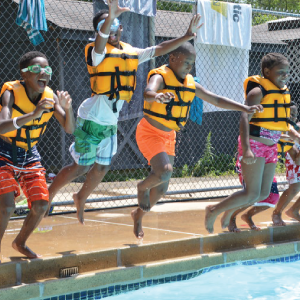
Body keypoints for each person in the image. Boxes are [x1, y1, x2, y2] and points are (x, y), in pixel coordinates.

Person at [47, 0, 204, 224]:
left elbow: (159, 49)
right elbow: (101, 43)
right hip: (91, 119)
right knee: (80, 167)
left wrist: (186, 36)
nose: (111, 29)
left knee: (101, 168)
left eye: (115, 24)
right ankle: (49, 196)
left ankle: (80, 197)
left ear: (121, 28)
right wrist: (109, 17)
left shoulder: (130, 53)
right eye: (105, 25)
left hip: (110, 122)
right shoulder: (96, 52)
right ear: (99, 30)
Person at [131, 41, 263, 239]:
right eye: (186, 62)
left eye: (192, 64)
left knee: (162, 189)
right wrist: (157, 96)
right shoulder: (160, 76)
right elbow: (148, 92)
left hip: (169, 135)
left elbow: (216, 99)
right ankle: (142, 187)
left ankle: (138, 215)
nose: (189, 67)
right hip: (150, 131)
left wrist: (244, 108)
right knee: (164, 171)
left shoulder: (191, 84)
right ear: (172, 58)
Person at [205, 53, 300, 234]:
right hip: (255, 144)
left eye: (287, 73)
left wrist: (296, 136)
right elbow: (244, 117)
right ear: (267, 71)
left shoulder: (282, 94)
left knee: (264, 194)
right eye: (280, 72)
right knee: (251, 193)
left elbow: (281, 123)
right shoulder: (258, 92)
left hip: (271, 147)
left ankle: (229, 213)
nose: (285, 76)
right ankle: (213, 210)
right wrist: (247, 148)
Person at [0, 51, 75, 261]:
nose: (43, 73)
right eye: (36, 69)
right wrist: (33, 115)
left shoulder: (49, 97)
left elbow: (69, 128)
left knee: (42, 204)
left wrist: (68, 109)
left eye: (47, 69)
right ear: (24, 74)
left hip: (28, 153)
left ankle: (20, 242)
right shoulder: (10, 92)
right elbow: (2, 128)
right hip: (2, 150)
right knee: (6, 206)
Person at [226, 106, 299, 232]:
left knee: (272, 197)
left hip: (266, 166)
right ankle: (231, 217)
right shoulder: (271, 127)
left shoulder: (288, 137)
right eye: (290, 114)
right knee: (254, 195)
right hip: (251, 161)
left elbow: (297, 160)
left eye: (294, 115)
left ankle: (247, 216)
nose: (292, 117)